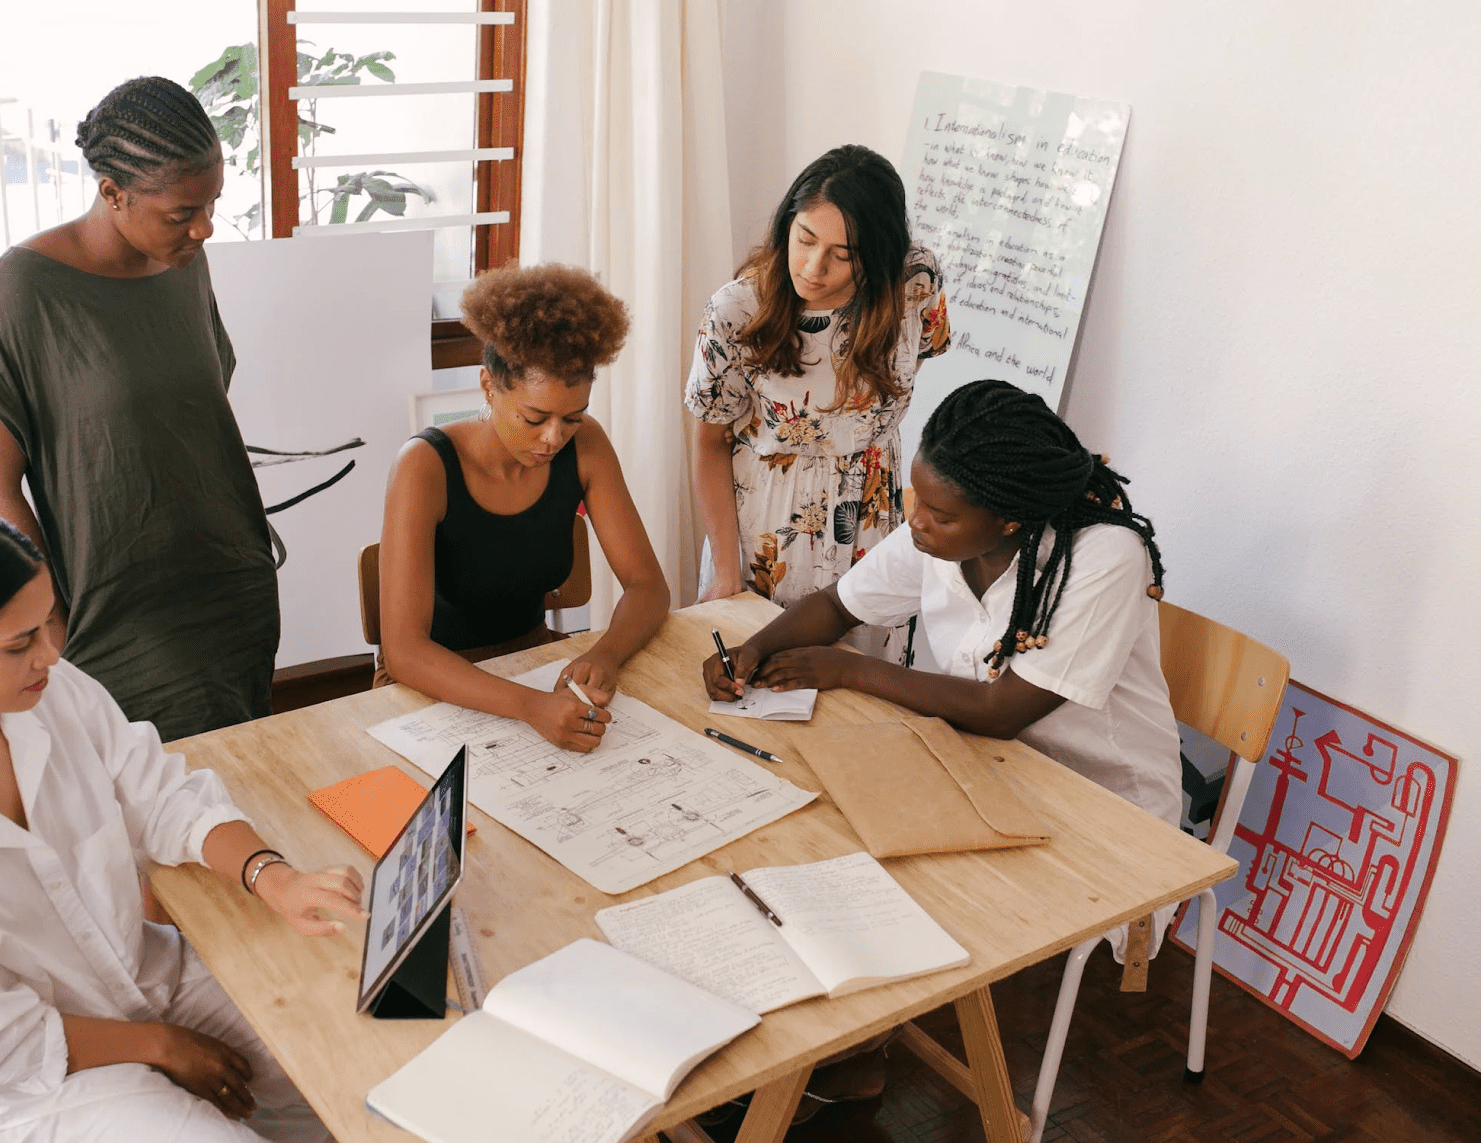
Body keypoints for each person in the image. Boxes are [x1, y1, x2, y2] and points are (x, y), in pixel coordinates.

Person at [701, 379, 1182, 1120]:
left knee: (872, 871)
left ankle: (833, 1054)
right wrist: (751, 648)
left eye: (937, 513)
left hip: (1095, 805)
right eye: (916, 499)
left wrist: (855, 667)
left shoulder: (1104, 557)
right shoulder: (946, 527)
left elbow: (1003, 709)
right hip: (972, 760)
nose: (914, 520)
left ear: (1009, 516)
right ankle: (841, 1052)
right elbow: (837, 605)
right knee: (816, 829)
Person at [0, 502, 365, 1143]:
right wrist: (161, 1046)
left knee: (351, 1067)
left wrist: (270, 877)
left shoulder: (49, 690)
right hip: (14, 1087)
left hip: (140, 977)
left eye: (47, 622)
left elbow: (160, 795)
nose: (51, 654)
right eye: (20, 643)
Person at [0, 76, 278, 743]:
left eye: (212, 203)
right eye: (181, 212)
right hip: (118, 613)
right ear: (113, 192)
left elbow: (194, 413)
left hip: (231, 586)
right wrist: (48, 621)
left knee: (240, 785)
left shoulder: (184, 260)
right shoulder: (25, 291)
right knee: (146, 808)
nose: (204, 226)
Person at [377, 263, 669, 752]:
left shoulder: (586, 446)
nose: (553, 438)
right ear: (489, 386)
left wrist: (606, 654)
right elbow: (405, 652)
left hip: (532, 666)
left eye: (572, 418)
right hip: (431, 688)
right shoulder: (424, 466)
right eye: (535, 418)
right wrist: (531, 707)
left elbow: (648, 586)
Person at [686, 143, 950, 661]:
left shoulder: (914, 282)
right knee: (759, 682)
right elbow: (708, 443)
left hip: (873, 519)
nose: (812, 266)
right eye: (803, 239)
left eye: (842, 254)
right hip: (769, 526)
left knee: (866, 694)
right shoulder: (737, 310)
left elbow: (902, 377)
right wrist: (725, 569)